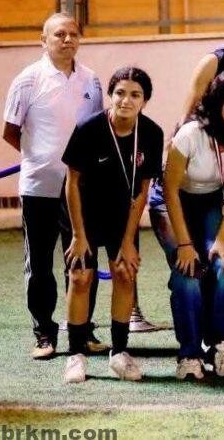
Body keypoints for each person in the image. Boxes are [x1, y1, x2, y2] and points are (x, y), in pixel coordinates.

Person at [2, 12, 106, 360]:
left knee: (82, 261)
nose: (67, 39)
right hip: (39, 188)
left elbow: (96, 131)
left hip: (82, 191)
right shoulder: (27, 80)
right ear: (43, 40)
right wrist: (42, 158)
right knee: (40, 265)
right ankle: (44, 334)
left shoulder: (91, 80)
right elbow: (10, 131)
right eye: (59, 34)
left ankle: (83, 330)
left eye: (73, 34)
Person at [60, 68, 163, 383]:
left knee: (124, 272)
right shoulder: (89, 128)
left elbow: (142, 190)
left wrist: (129, 240)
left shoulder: (152, 133)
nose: (126, 100)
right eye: (120, 93)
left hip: (121, 215)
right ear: (110, 95)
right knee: (80, 277)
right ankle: (76, 354)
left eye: (135, 95)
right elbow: (72, 182)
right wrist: (78, 235)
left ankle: (119, 353)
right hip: (84, 214)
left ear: (145, 100)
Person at [151, 69, 224, 379]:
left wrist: (223, 238)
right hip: (172, 201)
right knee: (188, 271)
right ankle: (189, 354)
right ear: (216, 100)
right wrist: (184, 244)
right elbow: (169, 189)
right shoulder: (191, 133)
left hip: (213, 201)